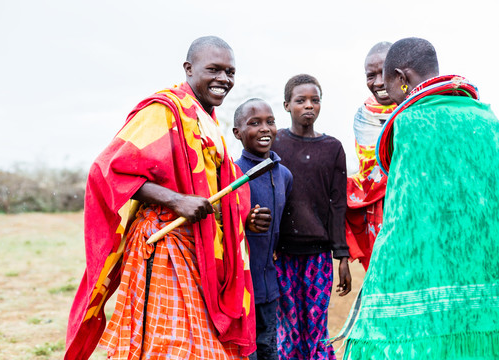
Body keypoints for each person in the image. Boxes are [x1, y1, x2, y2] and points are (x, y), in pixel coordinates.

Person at [65, 36, 258, 360]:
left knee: (196, 344)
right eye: (214, 69)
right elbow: (109, 170)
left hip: (199, 246)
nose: (223, 79)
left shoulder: (206, 120)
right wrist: (176, 200)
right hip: (164, 243)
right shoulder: (163, 111)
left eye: (230, 72)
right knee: (170, 346)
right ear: (189, 68)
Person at [342, 37, 499, 359]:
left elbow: (404, 214)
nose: (387, 92)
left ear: (402, 78)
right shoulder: (489, 120)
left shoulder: (409, 123)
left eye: (388, 82)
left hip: (431, 262)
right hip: (489, 265)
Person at [271, 74, 352, 360]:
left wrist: (341, 256)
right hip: (281, 255)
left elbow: (338, 205)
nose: (309, 106)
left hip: (318, 256)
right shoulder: (275, 145)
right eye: (300, 100)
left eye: (314, 100)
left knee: (316, 330)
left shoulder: (332, 148)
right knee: (288, 330)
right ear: (286, 105)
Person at [232, 98, 293, 360]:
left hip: (269, 288)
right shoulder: (232, 174)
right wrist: (245, 221)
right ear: (238, 133)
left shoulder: (284, 176)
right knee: (245, 353)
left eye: (270, 121)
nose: (265, 128)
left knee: (269, 348)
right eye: (254, 123)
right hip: (239, 289)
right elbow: (220, 226)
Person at [345, 42, 397, 271]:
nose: (378, 82)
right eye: (371, 75)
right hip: (378, 210)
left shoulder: (419, 111)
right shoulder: (364, 116)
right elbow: (371, 171)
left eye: (384, 73)